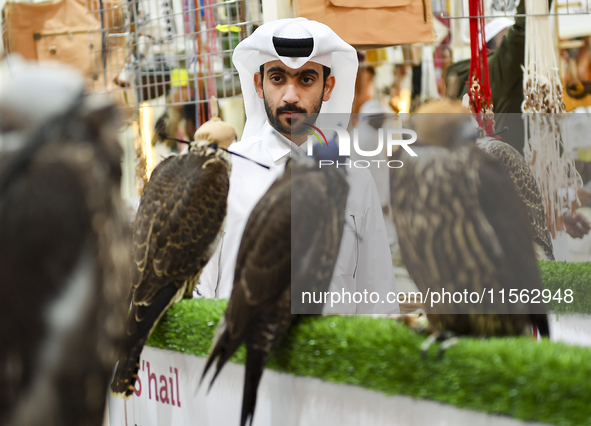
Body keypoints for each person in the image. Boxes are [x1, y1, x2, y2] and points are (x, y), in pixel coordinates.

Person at [197, 18, 399, 314]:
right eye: (278, 78)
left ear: (328, 87)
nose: (290, 96)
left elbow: (378, 299)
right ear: (258, 84)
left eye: (306, 79)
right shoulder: (224, 173)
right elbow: (200, 302)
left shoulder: (356, 179)